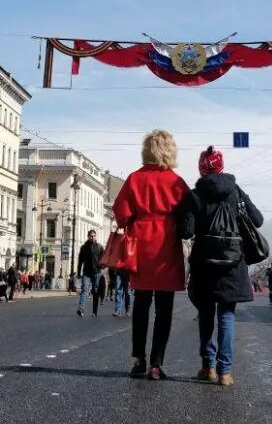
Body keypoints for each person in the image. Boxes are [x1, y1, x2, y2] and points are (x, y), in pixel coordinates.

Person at [177, 145, 263, 387]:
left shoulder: (196, 195)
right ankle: (225, 372)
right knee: (226, 315)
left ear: (201, 168)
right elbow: (258, 220)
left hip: (205, 264)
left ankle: (208, 367)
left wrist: (184, 211)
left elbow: (186, 232)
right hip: (232, 263)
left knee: (206, 315)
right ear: (221, 165)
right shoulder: (235, 191)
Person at [112, 129, 190, 381]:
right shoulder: (176, 181)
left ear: (147, 151)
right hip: (166, 245)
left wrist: (136, 218)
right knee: (164, 308)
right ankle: (157, 363)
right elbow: (190, 212)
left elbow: (121, 213)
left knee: (141, 304)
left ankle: (139, 358)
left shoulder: (134, 179)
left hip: (141, 245)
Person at [76, 230, 104, 317]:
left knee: (95, 292)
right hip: (86, 272)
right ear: (88, 236)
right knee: (84, 290)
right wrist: (78, 272)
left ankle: (94, 311)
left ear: (96, 237)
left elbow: (103, 259)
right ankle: (81, 309)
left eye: (94, 236)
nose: (93, 237)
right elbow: (80, 261)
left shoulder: (100, 247)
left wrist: (102, 267)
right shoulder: (84, 247)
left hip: (96, 272)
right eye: (91, 236)